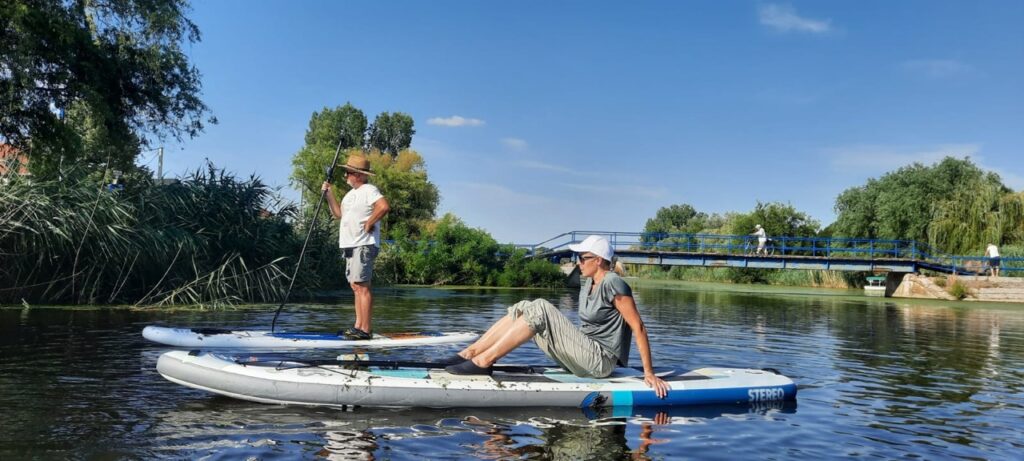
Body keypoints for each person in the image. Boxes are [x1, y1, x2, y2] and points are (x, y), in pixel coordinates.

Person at [445, 235, 670, 399]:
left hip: (601, 361)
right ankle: (471, 353)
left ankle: (484, 362)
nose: (578, 262)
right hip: (584, 355)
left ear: (598, 260)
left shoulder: (613, 282)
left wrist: (648, 373)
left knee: (541, 307)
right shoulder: (588, 283)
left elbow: (638, 327)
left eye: (583, 258)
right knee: (526, 307)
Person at [322, 154, 390, 340]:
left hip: (363, 243)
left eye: (348, 173)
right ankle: (358, 326)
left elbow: (383, 206)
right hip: (350, 244)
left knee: (362, 286)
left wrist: (369, 223)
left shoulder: (369, 190)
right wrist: (329, 194)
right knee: (355, 286)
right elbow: (338, 214)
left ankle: (365, 330)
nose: (345, 176)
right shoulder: (350, 195)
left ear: (359, 175)